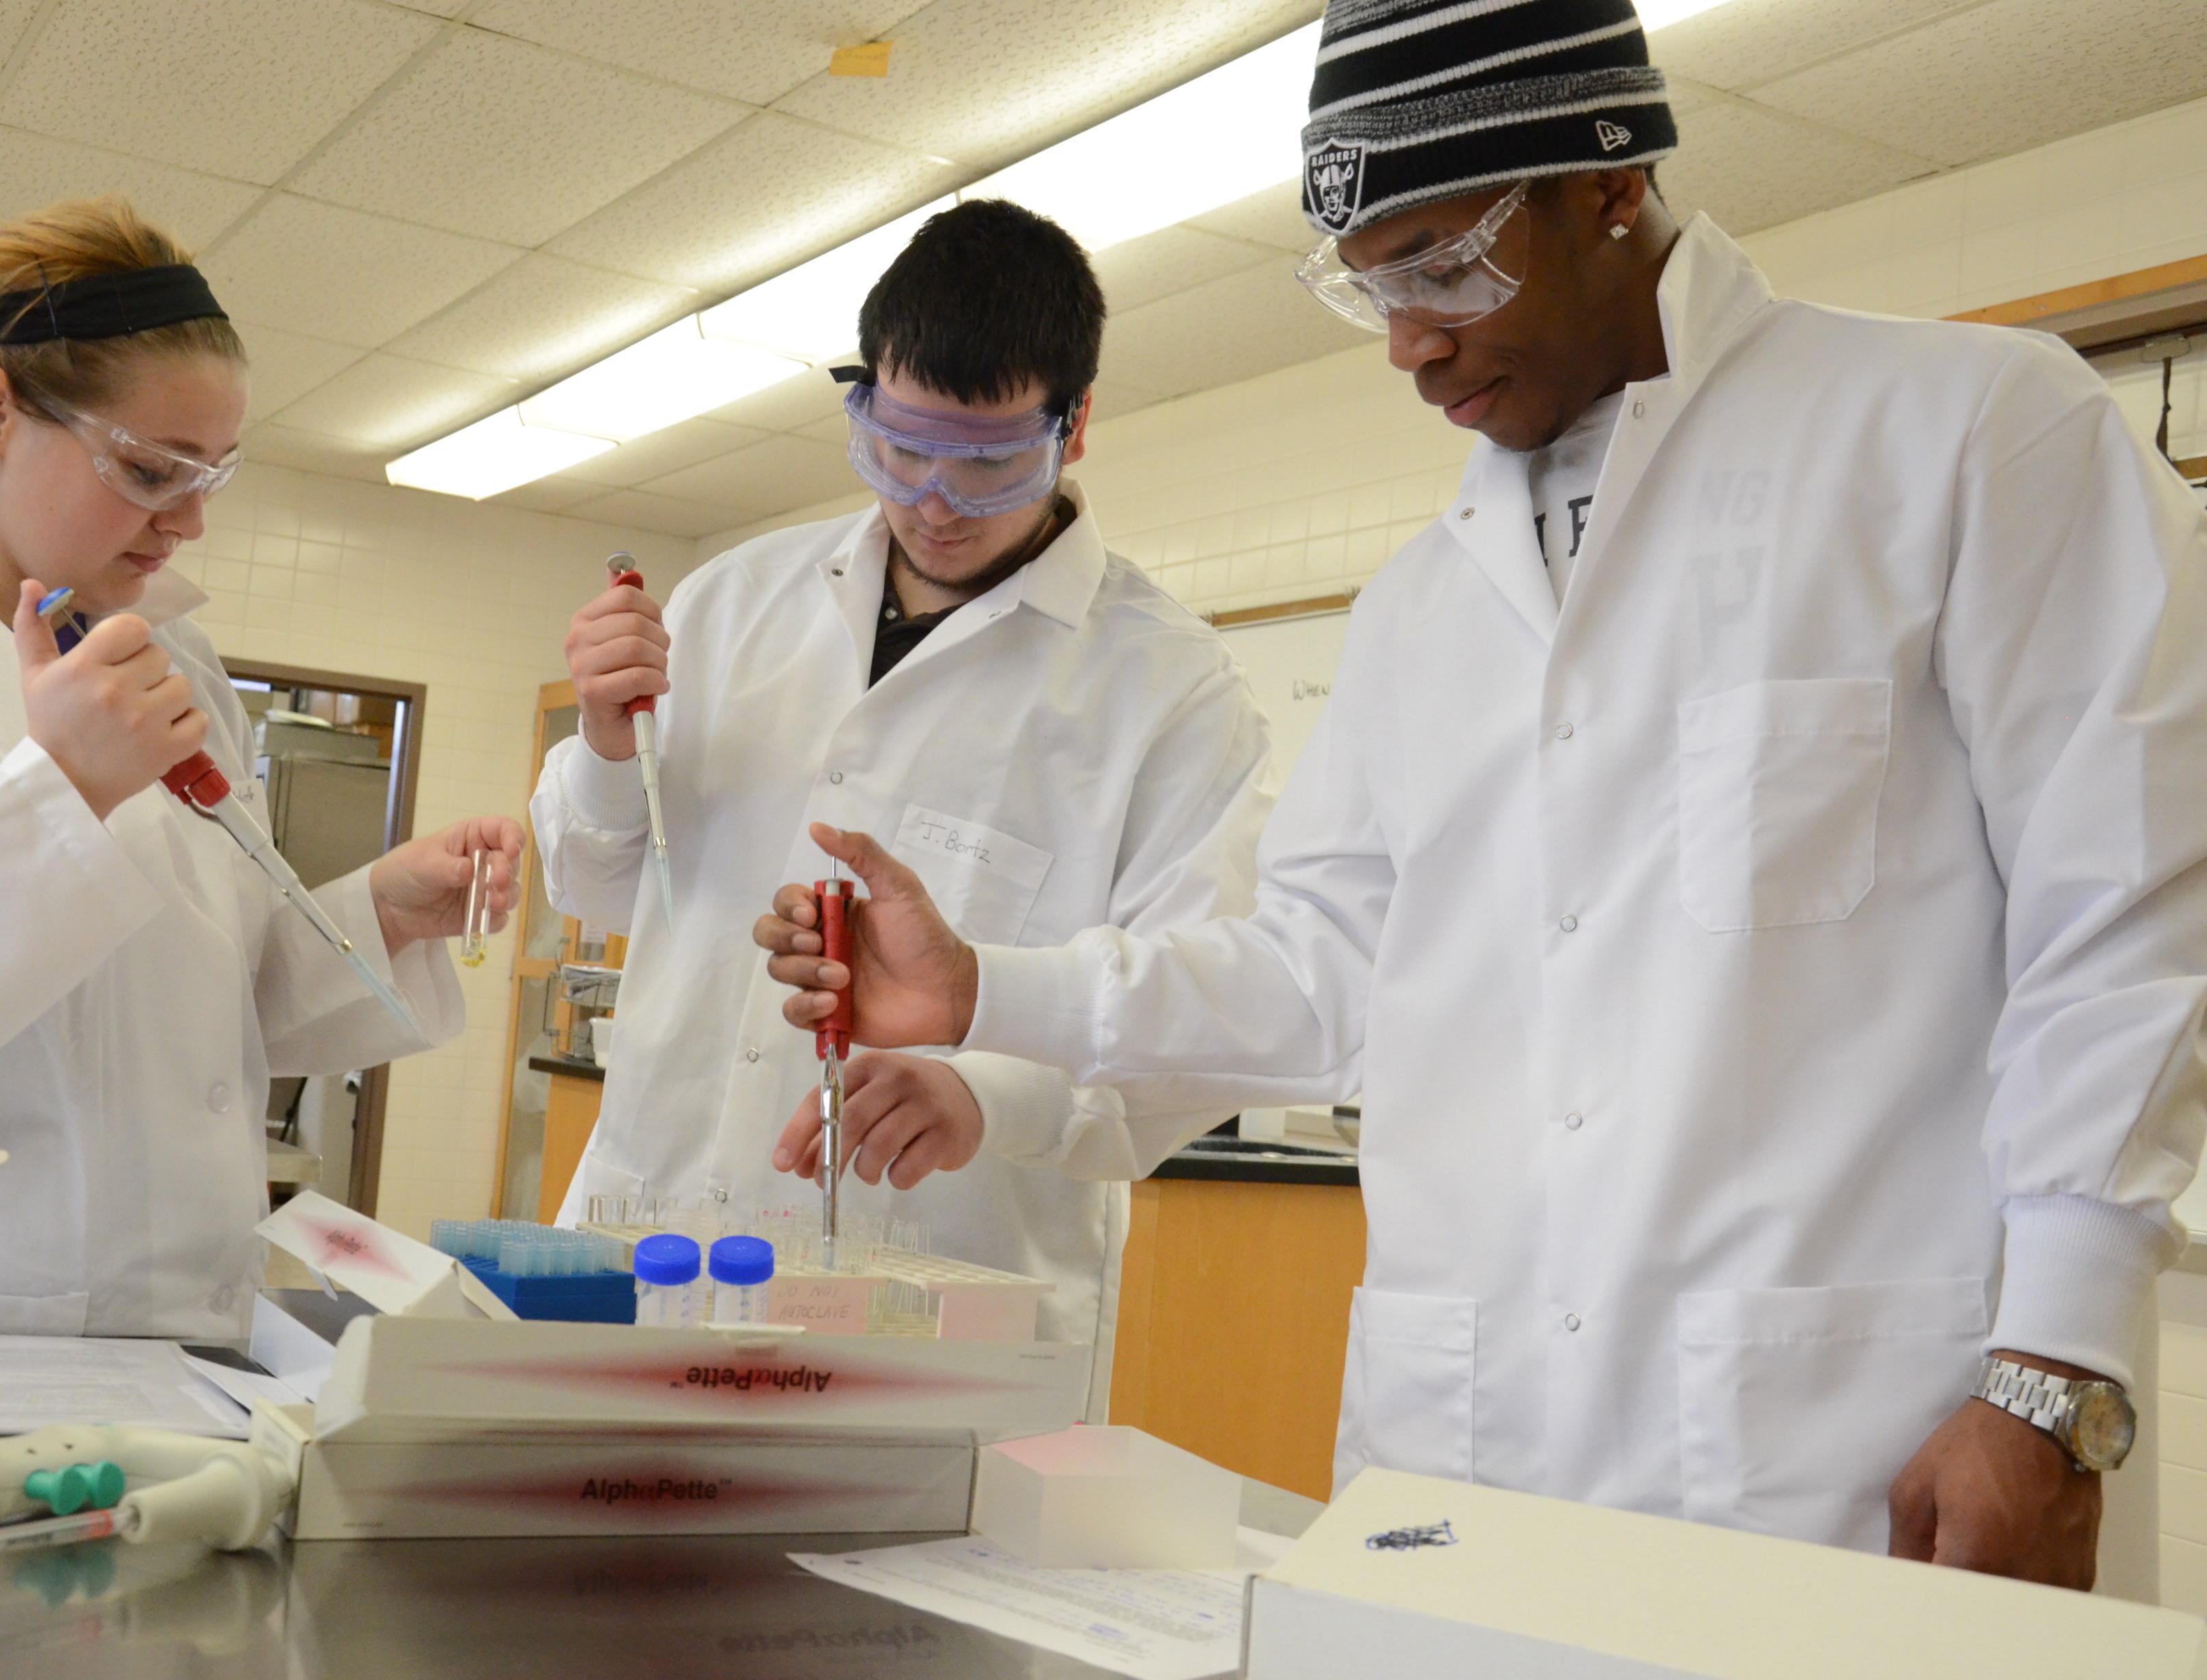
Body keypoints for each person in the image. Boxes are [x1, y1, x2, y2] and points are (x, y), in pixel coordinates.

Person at [756, 0, 2207, 1589]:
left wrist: (2056, 1374)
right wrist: (984, 987)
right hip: (1462, 1461)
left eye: (1445, 263)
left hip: (1846, 1455)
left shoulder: (1967, 438)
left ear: (1609, 184)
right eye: (1371, 285)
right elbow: (1319, 972)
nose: (1409, 339)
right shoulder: (1419, 609)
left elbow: (2129, 908)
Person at [0, 198, 520, 1340]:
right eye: (151, 468)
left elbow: (201, 1020)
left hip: (163, 1349)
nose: (186, 525)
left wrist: (381, 914)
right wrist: (57, 797)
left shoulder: (168, 660)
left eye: (210, 477)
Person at [533, 200, 1271, 1399]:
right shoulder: (733, 602)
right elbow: (601, 885)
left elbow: (1208, 1016)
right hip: (652, 1251)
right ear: (863, 401)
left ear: (1074, 427)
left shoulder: (1169, 690)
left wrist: (992, 1093)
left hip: (934, 1315)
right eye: (897, 448)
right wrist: (609, 746)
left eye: (987, 464)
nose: (932, 499)